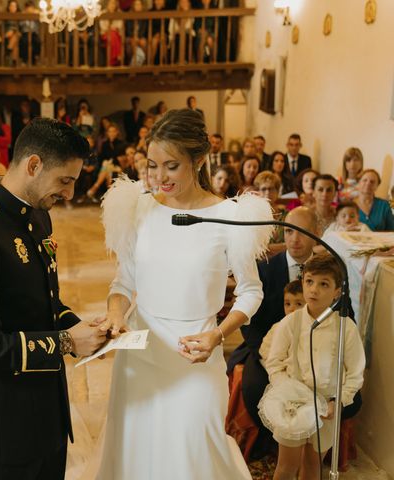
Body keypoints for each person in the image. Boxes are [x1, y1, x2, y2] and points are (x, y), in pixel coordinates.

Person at [97, 108, 273, 479]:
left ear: (199, 160)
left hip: (196, 353)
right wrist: (116, 314)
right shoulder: (137, 209)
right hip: (140, 357)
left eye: (171, 166)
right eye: (152, 165)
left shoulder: (231, 217)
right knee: (136, 455)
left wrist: (217, 334)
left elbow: (251, 292)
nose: (160, 177)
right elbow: (123, 281)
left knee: (194, 452)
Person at [0, 118, 106, 479]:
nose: (69, 195)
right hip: (5, 426)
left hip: (49, 414)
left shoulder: (38, 217)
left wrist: (77, 325)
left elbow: (46, 301)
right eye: (65, 180)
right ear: (33, 165)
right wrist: (65, 341)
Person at [262, 254, 365, 480]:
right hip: (293, 406)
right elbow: (274, 363)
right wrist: (288, 390)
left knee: (313, 468)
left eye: (323, 284)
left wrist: (338, 401)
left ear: (338, 292)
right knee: (286, 468)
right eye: (309, 281)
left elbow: (355, 373)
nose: (314, 290)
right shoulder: (290, 323)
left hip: (326, 409)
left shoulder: (345, 328)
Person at [227, 207, 318, 453]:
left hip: (315, 347)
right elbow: (251, 322)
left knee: (327, 390)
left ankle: (311, 446)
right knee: (256, 387)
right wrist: (265, 355)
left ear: (317, 233)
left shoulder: (328, 270)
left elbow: (346, 315)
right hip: (268, 347)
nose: (294, 239)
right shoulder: (265, 269)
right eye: (289, 231)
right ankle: (274, 444)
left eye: (302, 232)